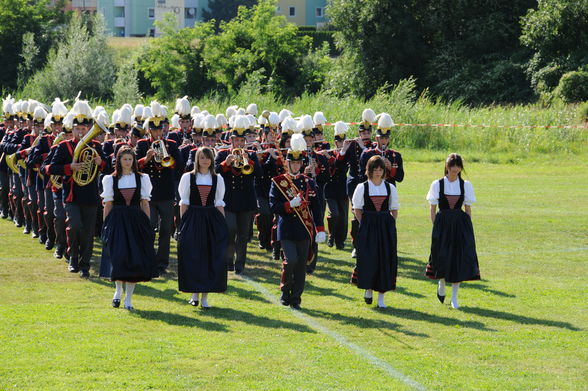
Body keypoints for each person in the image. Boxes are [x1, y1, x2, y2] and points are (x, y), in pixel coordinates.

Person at [269, 133, 326, 310]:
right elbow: (273, 205)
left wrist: (320, 229)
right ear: (287, 163)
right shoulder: (279, 182)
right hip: (286, 229)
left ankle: (296, 298)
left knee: (301, 264)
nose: (295, 165)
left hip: (304, 229)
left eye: (297, 162)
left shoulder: (308, 183)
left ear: (301, 163)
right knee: (291, 260)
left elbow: (316, 207)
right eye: (292, 162)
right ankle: (285, 292)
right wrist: (288, 204)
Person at [99, 147, 156, 310]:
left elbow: (145, 203)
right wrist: (106, 225)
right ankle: (117, 292)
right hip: (117, 221)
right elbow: (108, 204)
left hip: (136, 221)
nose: (128, 162)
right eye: (125, 159)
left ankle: (129, 300)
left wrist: (147, 225)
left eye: (130, 159)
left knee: (134, 260)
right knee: (118, 257)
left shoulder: (143, 178)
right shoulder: (110, 179)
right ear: (119, 161)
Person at [426, 153, 480, 309]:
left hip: (459, 226)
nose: (455, 169)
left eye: (458, 165)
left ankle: (454, 298)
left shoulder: (465, 185)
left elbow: (468, 209)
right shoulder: (437, 184)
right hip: (442, 224)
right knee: (442, 257)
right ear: (447, 166)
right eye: (452, 165)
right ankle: (441, 283)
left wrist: (467, 228)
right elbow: (432, 208)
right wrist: (436, 226)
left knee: (459, 260)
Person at [177, 147, 228, 309]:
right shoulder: (188, 177)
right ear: (197, 160)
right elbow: (184, 202)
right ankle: (194, 294)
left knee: (209, 256)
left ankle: (205, 297)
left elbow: (219, 203)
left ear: (212, 160)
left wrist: (223, 225)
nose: (205, 161)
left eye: (208, 158)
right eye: (202, 158)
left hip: (211, 219)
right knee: (193, 255)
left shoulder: (218, 178)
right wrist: (183, 224)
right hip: (193, 217)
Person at [351, 155, 400, 308]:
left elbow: (394, 208)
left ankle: (381, 298)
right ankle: (368, 288)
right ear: (369, 170)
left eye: (380, 169)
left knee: (385, 259)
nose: (378, 172)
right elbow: (357, 208)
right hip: (368, 226)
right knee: (369, 258)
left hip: (385, 226)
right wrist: (364, 223)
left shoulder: (389, 187)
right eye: (375, 169)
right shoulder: (362, 187)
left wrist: (390, 224)